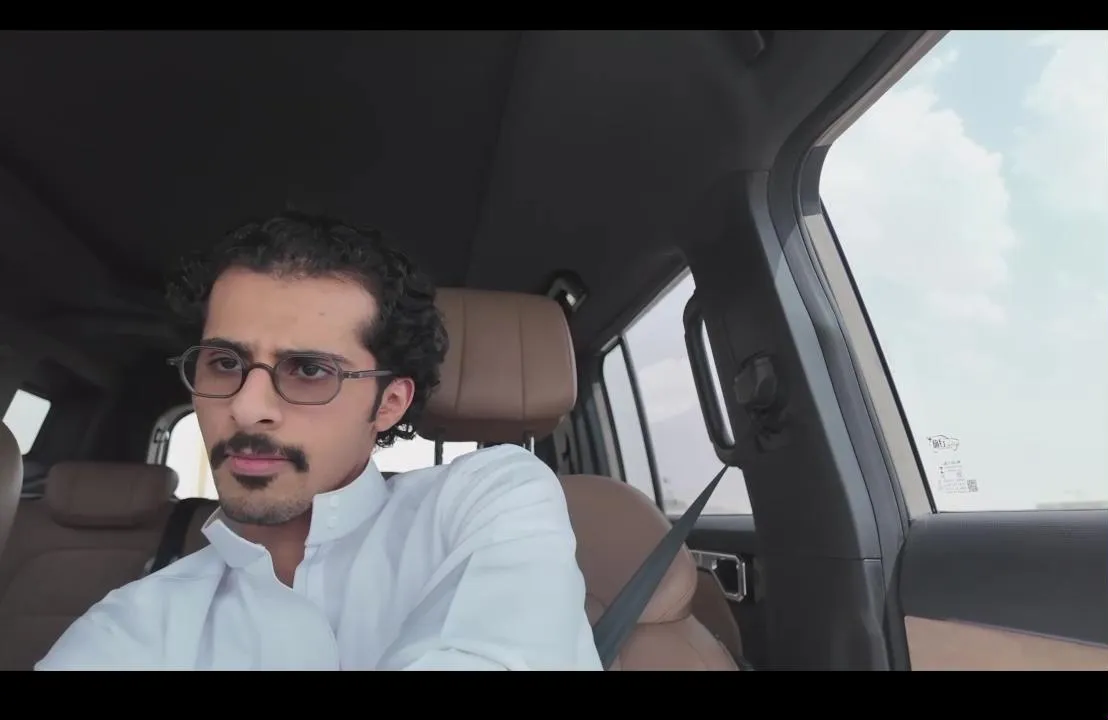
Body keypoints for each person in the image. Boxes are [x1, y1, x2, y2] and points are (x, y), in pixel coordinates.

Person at [36, 211, 602, 670]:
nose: (246, 408)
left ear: (389, 403)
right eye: (225, 363)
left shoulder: (488, 499)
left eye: (309, 370)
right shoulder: (132, 624)